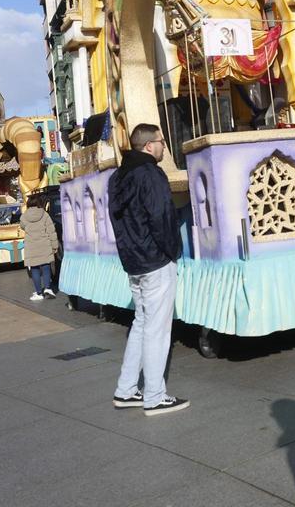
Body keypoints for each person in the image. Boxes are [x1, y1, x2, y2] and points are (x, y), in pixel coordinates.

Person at [108, 123, 188, 416]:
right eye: (161, 141)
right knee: (156, 329)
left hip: (133, 260)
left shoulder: (118, 177)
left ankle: (126, 390)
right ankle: (155, 395)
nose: (164, 146)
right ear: (148, 145)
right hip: (155, 260)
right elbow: (161, 217)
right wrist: (172, 252)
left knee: (141, 324)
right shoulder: (151, 174)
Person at [21, 192, 59, 301]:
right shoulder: (45, 215)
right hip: (45, 245)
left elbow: (23, 227)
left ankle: (38, 293)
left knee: (35, 269)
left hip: (31, 247)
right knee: (46, 267)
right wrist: (54, 245)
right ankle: (47, 288)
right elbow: (52, 231)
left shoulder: (24, 216)